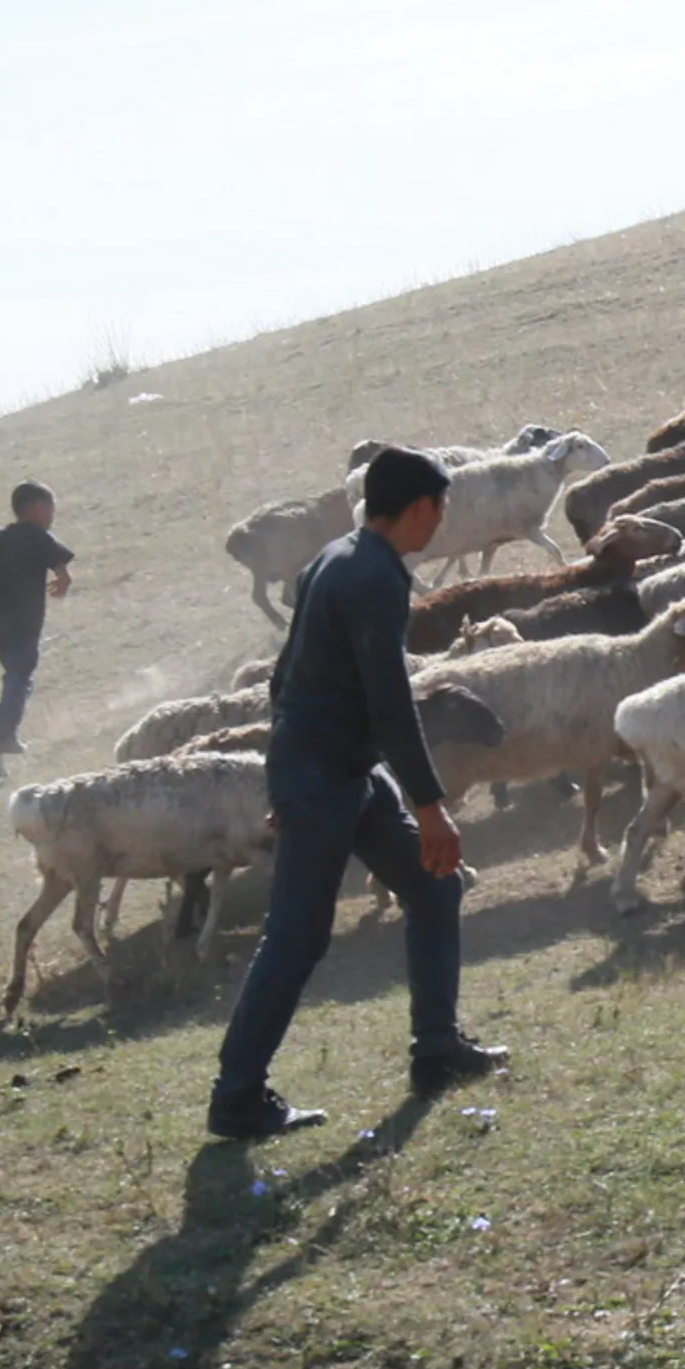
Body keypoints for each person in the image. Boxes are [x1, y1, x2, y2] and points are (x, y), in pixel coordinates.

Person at [207, 447, 509, 1139]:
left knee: (434, 887)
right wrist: (431, 808)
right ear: (422, 507)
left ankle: (437, 1049)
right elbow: (390, 702)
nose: (442, 519)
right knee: (297, 935)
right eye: (442, 507)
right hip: (324, 776)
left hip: (341, 769)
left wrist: (289, 769)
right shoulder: (374, 577)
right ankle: (237, 1095)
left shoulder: (336, 556)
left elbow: (284, 675)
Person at [0, 482, 74, 772]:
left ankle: (6, 737)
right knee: (19, 679)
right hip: (23, 622)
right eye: (51, 508)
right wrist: (63, 582)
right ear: (38, 508)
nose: (52, 515)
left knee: (17, 677)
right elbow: (63, 572)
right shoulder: (39, 538)